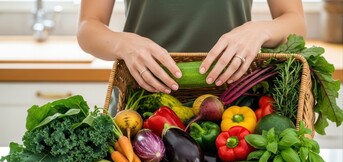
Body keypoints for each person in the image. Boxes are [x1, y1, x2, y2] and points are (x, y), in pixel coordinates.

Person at [77, 0, 306, 94]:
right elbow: (89, 26)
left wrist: (260, 29)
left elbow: (295, 21)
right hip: (142, 106)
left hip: (236, 109)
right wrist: (123, 42)